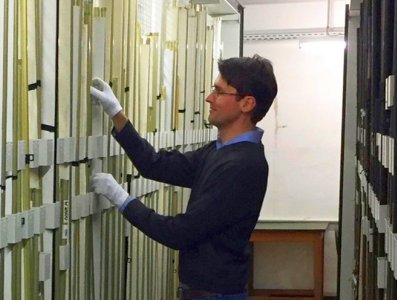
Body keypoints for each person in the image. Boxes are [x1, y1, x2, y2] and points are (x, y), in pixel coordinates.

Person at [90, 54, 278, 300]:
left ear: (247, 104)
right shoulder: (220, 151)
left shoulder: (242, 165)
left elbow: (180, 233)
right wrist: (117, 114)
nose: (210, 98)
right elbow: (156, 165)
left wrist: (123, 200)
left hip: (217, 295)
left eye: (220, 92)